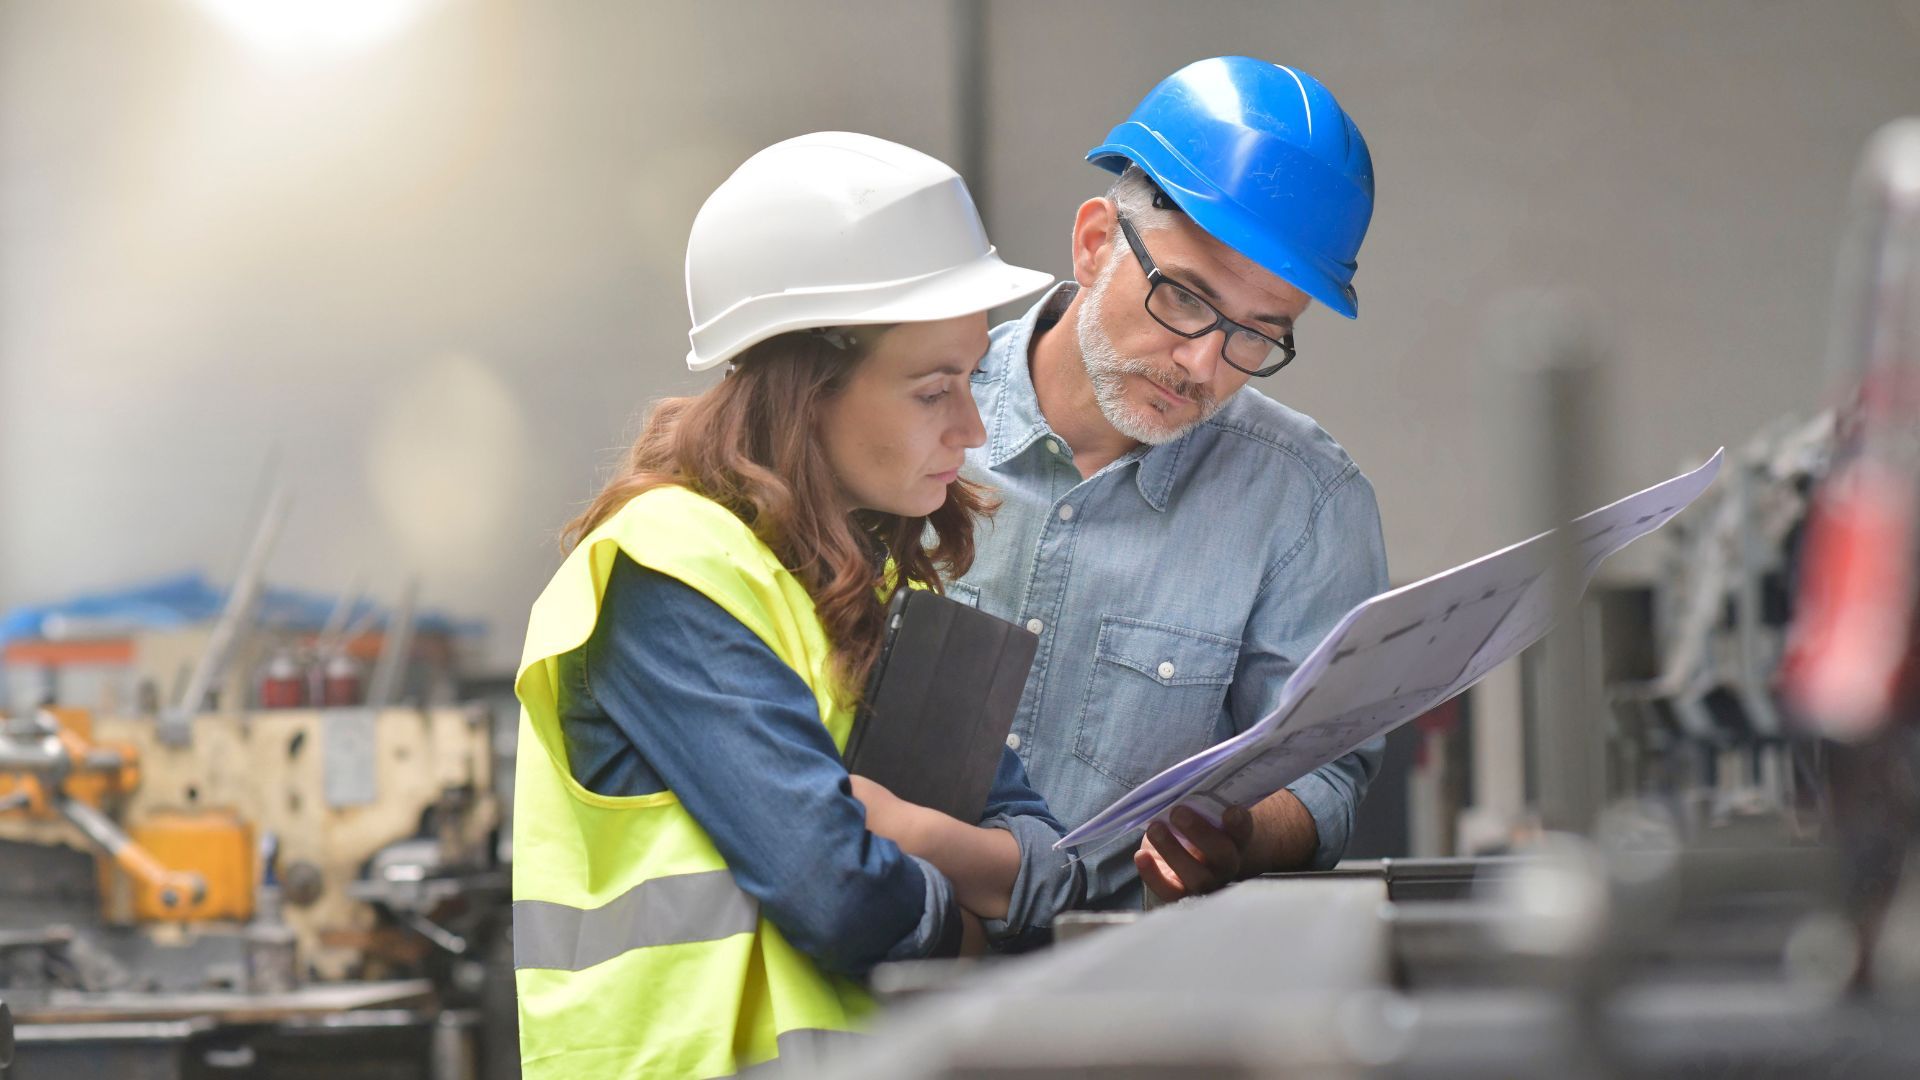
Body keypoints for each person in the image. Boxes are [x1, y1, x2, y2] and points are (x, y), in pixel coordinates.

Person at [509, 132, 1063, 1078]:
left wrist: (917, 837)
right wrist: (972, 936)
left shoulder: (871, 580)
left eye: (972, 381)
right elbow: (833, 889)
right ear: (808, 394)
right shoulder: (667, 576)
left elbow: (1049, 861)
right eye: (936, 390)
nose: (972, 431)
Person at [954, 57, 1392, 924]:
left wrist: (1243, 834)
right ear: (1092, 245)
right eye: (1184, 300)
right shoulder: (920, 410)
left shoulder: (1306, 505)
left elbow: (1328, 771)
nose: (1202, 365)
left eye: (1257, 337)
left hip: (1119, 1009)